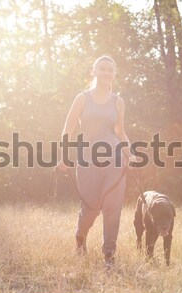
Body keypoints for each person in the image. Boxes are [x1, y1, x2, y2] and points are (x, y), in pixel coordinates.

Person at [56, 55, 134, 268]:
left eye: (110, 69)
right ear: (94, 71)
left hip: (115, 159)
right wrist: (64, 156)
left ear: (114, 74)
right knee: (90, 208)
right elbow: (68, 130)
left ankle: (109, 254)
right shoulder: (82, 98)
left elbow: (120, 132)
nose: (106, 73)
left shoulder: (118, 101)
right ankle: (80, 238)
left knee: (112, 206)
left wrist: (129, 152)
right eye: (102, 69)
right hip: (87, 159)